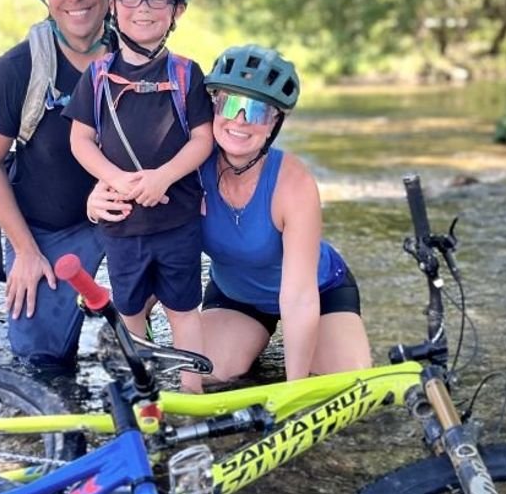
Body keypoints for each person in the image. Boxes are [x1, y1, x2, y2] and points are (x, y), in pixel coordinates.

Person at [88, 45, 372, 382]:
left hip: (319, 292)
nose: (240, 121)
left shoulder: (294, 182)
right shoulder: (187, 163)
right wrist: (93, 203)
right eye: (231, 105)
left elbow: (298, 297)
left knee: (343, 380)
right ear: (212, 108)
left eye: (257, 111)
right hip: (236, 297)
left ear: (274, 124)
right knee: (206, 372)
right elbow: (148, 238)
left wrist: (295, 388)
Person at [62, 0, 213, 392]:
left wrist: (165, 176)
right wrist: (115, 178)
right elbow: (80, 139)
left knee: (184, 310)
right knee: (129, 311)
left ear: (177, 10)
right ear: (111, 5)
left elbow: (203, 138)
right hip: (122, 225)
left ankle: (193, 391)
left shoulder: (186, 73)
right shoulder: (98, 75)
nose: (142, 9)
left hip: (177, 221)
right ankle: (141, 390)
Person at [0, 0, 113, 369]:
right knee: (43, 363)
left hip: (125, 219)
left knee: (142, 359)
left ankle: (128, 328)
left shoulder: (139, 55)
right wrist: (27, 253)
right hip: (49, 232)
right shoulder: (15, 70)